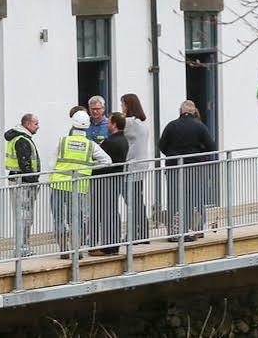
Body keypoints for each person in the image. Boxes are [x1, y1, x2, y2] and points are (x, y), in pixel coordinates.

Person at [47, 109, 109, 254]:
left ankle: (63, 249)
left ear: (73, 125)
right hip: (78, 188)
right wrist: (90, 166)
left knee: (58, 218)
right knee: (76, 219)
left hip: (58, 185)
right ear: (87, 126)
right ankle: (77, 250)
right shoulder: (90, 145)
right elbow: (107, 161)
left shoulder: (62, 141)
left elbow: (51, 165)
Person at [157, 99, 218, 240]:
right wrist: (198, 152)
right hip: (194, 169)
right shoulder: (200, 126)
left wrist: (172, 155)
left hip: (174, 168)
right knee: (194, 199)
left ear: (180, 111)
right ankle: (195, 229)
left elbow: (161, 145)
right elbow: (212, 147)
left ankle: (174, 232)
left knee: (174, 200)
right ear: (194, 112)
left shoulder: (171, 126)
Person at [2, 113, 41, 254]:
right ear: (27, 124)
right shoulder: (22, 140)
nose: (38, 127)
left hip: (19, 180)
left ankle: (23, 247)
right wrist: (33, 182)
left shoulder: (20, 138)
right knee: (24, 217)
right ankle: (22, 248)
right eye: (36, 124)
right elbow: (25, 164)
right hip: (22, 182)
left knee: (23, 216)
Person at [93, 112, 130, 255]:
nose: (107, 124)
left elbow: (99, 160)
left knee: (108, 213)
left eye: (109, 122)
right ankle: (112, 245)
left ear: (114, 124)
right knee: (112, 212)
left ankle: (109, 248)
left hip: (107, 181)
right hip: (115, 180)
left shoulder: (111, 142)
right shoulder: (123, 140)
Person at [118, 95, 150, 238]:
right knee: (137, 199)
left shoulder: (130, 122)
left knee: (132, 201)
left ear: (127, 105)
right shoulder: (141, 123)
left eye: (122, 105)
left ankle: (135, 233)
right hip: (141, 164)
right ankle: (143, 232)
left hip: (132, 166)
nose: (121, 108)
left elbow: (114, 125)